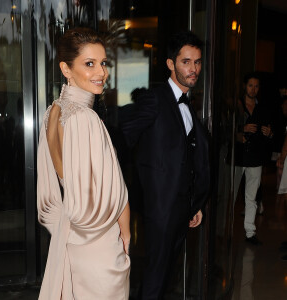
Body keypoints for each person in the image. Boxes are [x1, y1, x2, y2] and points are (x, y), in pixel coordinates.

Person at [37, 27, 130, 300]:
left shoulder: (53, 112)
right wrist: (125, 234)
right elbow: (115, 192)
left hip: (71, 238)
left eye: (103, 63)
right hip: (98, 243)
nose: (101, 72)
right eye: (89, 64)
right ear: (66, 69)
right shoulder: (85, 118)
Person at [122, 31, 210, 299]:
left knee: (165, 274)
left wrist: (195, 204)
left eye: (197, 62)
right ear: (171, 64)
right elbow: (122, 138)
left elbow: (187, 156)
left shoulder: (187, 104)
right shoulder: (155, 98)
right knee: (155, 275)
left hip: (183, 208)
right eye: (186, 62)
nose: (193, 69)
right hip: (160, 209)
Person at [234, 72, 273, 245]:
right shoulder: (235, 105)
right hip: (236, 156)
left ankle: (250, 232)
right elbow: (224, 127)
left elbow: (270, 132)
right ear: (245, 86)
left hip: (255, 157)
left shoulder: (263, 107)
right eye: (250, 85)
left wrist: (269, 133)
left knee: (252, 197)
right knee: (230, 195)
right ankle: (223, 231)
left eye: (256, 86)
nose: (253, 89)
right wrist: (240, 131)